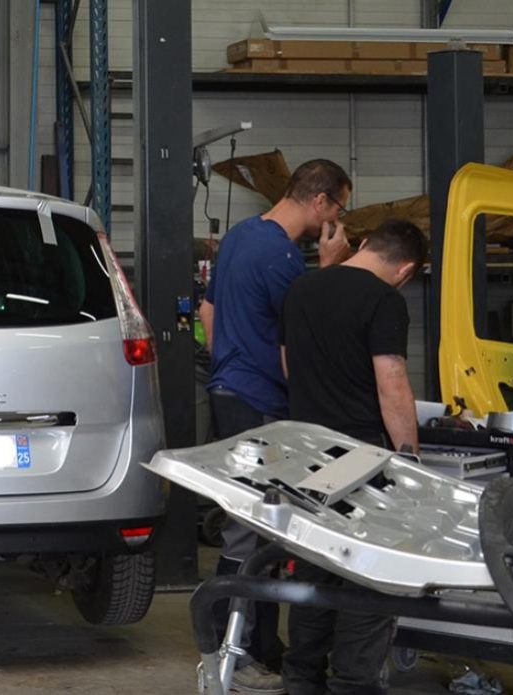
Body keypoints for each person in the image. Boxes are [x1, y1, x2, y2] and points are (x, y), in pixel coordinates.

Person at [197, 159, 352, 694]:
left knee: (256, 524)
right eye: (340, 208)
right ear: (321, 202)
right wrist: (331, 268)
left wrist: (228, 366)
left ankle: (258, 647)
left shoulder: (241, 237)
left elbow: (208, 311)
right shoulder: (285, 259)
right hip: (261, 404)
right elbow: (306, 334)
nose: (338, 219)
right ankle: (233, 654)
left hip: (229, 393)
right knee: (254, 530)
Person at [279, 217, 427, 695]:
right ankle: (353, 684)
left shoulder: (301, 288)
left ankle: (301, 676)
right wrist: (409, 458)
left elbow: (288, 366)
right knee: (367, 574)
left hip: (305, 454)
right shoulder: (384, 301)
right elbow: (393, 383)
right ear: (405, 269)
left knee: (314, 565)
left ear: (363, 244)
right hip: (362, 457)